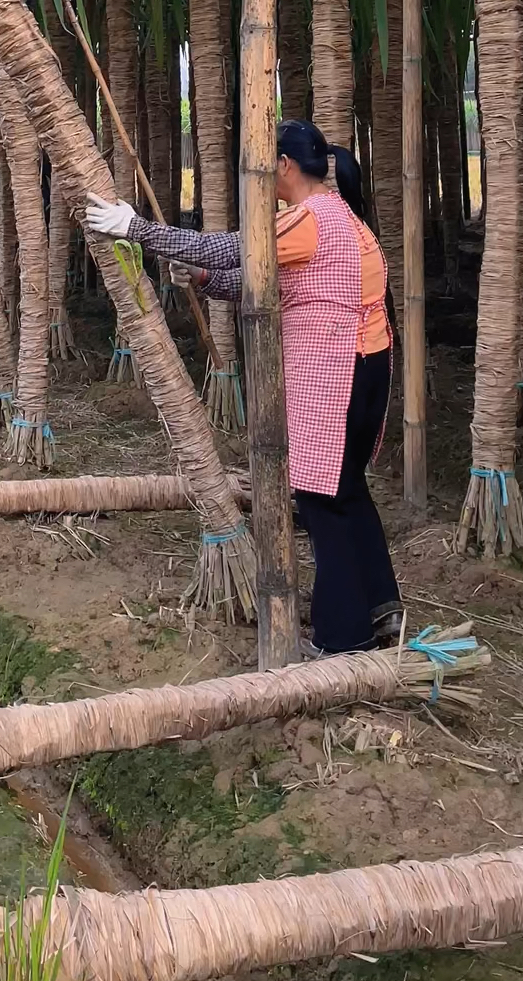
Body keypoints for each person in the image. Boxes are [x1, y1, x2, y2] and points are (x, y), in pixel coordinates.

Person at [86, 119, 402, 656]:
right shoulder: (344, 218)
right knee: (348, 491)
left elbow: (231, 247)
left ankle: (340, 639)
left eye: (262, 167)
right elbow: (268, 276)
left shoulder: (308, 220)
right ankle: (382, 608)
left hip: (340, 375)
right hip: (369, 370)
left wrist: (136, 228)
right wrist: (207, 283)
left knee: (323, 502)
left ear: (283, 165)